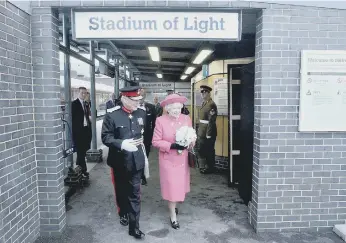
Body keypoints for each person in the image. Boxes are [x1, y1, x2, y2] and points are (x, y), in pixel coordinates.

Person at [101, 86, 146, 239]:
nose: (138, 103)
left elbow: (145, 133)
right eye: (135, 100)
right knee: (121, 191)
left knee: (135, 193)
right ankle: (123, 212)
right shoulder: (112, 115)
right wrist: (121, 144)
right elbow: (106, 137)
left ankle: (134, 227)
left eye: (139, 100)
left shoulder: (141, 113)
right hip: (119, 160)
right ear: (124, 99)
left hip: (136, 160)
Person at [152, 94, 195, 230]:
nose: (176, 110)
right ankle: (173, 216)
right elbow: (155, 141)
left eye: (179, 107)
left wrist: (191, 142)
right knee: (172, 188)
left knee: (179, 187)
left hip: (182, 160)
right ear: (167, 109)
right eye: (173, 108)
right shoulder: (160, 120)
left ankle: (174, 206)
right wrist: (172, 146)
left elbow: (192, 136)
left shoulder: (186, 118)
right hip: (168, 161)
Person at [196, 85, 218, 174]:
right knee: (201, 149)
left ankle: (210, 167)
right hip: (202, 131)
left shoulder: (211, 104)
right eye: (202, 92)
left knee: (209, 150)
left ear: (209, 93)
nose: (203, 94)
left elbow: (211, 121)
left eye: (204, 92)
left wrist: (208, 134)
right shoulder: (204, 103)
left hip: (208, 132)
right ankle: (204, 166)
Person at [72, 87, 92, 178]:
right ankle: (83, 170)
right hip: (78, 132)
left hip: (85, 130)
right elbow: (72, 119)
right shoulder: (74, 104)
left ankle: (79, 167)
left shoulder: (86, 104)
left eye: (85, 93)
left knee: (83, 151)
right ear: (78, 93)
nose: (84, 95)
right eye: (82, 93)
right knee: (80, 151)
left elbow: (88, 116)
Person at [139, 89, 156, 185]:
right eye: (140, 94)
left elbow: (154, 124)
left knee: (145, 156)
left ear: (145, 96)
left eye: (143, 95)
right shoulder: (132, 107)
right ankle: (140, 175)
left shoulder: (151, 107)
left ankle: (142, 174)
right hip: (135, 137)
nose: (141, 96)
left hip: (147, 137)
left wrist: (153, 136)